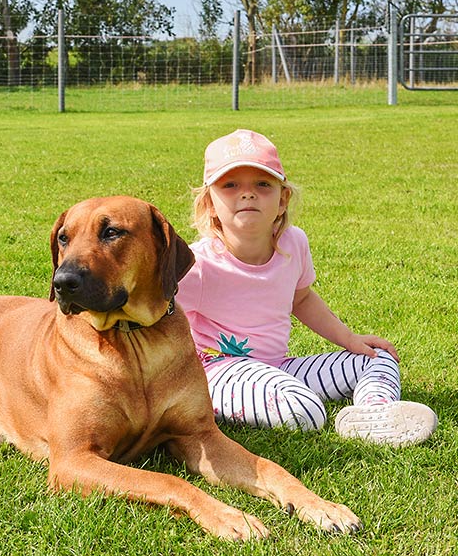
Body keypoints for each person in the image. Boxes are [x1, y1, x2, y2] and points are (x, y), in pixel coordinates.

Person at [176, 129, 437, 447]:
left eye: (263, 184)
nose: (248, 194)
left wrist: (349, 339)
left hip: (279, 367)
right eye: (230, 185)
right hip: (218, 373)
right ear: (209, 203)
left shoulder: (293, 244)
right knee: (304, 410)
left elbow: (301, 299)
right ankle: (252, 402)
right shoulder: (198, 265)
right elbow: (159, 315)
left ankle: (374, 414)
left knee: (378, 357)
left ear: (282, 199)